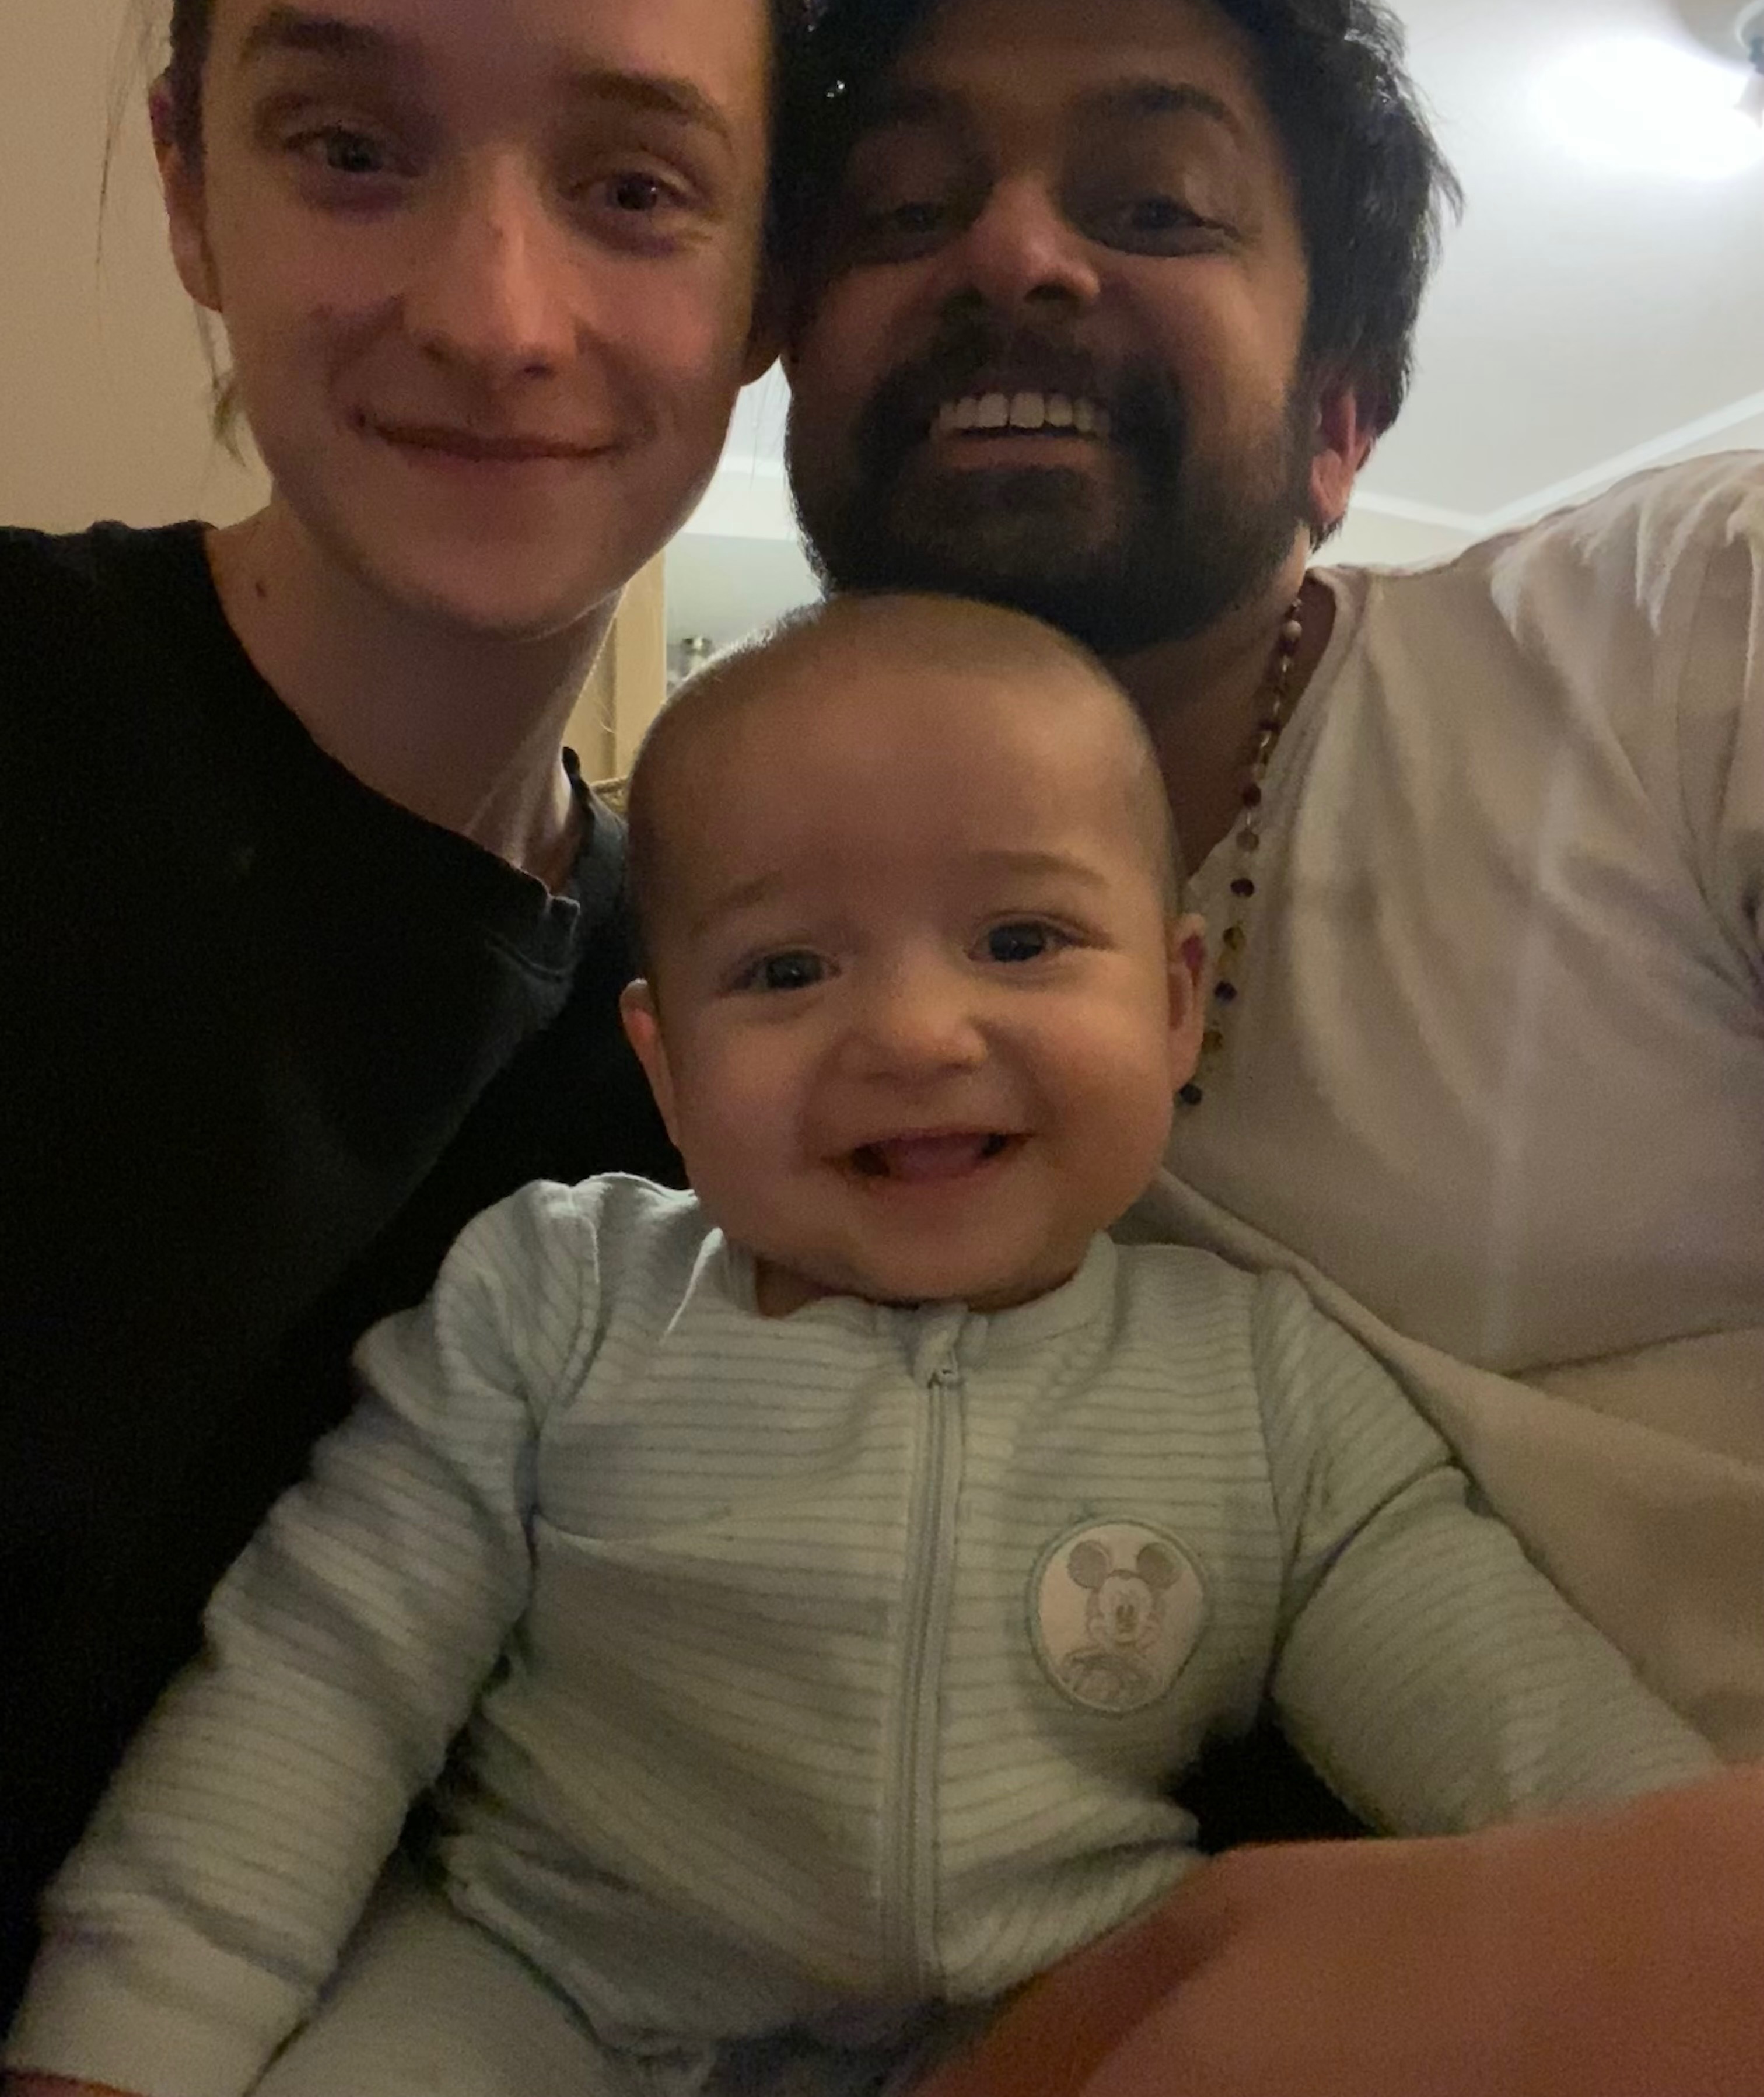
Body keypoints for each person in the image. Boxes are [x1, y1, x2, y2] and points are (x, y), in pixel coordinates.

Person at [3, 594, 1717, 2097]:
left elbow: (1530, 1742)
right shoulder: (555, 1297)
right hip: (539, 1984)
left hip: (1045, 2007)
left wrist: (1697, 1911)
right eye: (787, 970)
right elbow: (321, 1680)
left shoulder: (1267, 1384)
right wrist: (127, 2037)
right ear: (666, 1069)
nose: (911, 1031)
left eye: (1021, 941)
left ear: (1174, 999)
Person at [776, 0, 1764, 2097]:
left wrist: (1602, 1947)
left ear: (1341, 421)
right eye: (905, 209)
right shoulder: (738, 1008)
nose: (1016, 256)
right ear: (789, 372)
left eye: (1152, 202)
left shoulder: (1678, 637)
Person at [0, 0, 799, 2026]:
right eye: (351, 149)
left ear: (768, 275)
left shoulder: (720, 1059)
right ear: (191, 182)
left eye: (634, 185)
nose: (495, 312)